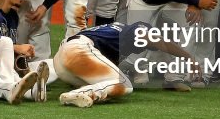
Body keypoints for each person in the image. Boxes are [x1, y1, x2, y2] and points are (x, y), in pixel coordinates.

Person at [54, 22, 198, 108]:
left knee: (108, 84)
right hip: (79, 49)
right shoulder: (134, 29)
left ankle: (37, 87)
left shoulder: (114, 34)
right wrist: (188, 57)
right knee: (124, 85)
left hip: (61, 63)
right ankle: (84, 94)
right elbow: (155, 40)